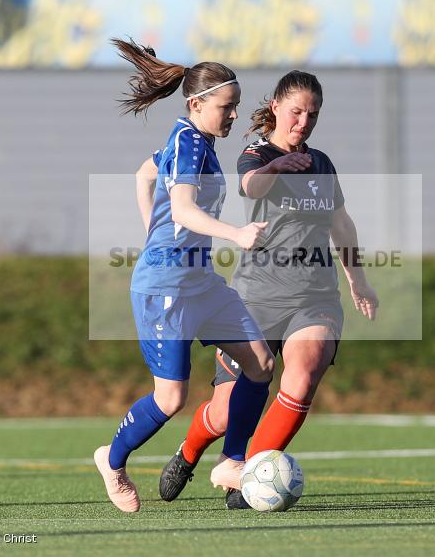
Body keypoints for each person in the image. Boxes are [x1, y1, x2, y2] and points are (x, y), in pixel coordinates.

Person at [156, 70, 379, 509]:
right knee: (222, 413)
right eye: (296, 111)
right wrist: (277, 166)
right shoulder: (255, 154)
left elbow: (342, 224)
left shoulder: (321, 163)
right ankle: (188, 452)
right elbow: (250, 185)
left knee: (304, 372)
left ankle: (250, 476)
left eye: (312, 115)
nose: (303, 122)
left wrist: (359, 279)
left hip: (314, 297)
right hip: (256, 296)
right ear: (276, 107)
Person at [93, 39, 275, 513]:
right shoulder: (190, 142)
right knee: (171, 399)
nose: (234, 115)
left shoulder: (192, 140)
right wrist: (236, 234)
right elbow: (184, 209)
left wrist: (153, 229)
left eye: (235, 107)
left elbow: (142, 176)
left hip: (200, 283)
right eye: (227, 107)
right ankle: (111, 460)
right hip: (165, 289)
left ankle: (232, 461)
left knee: (259, 363)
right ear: (197, 104)